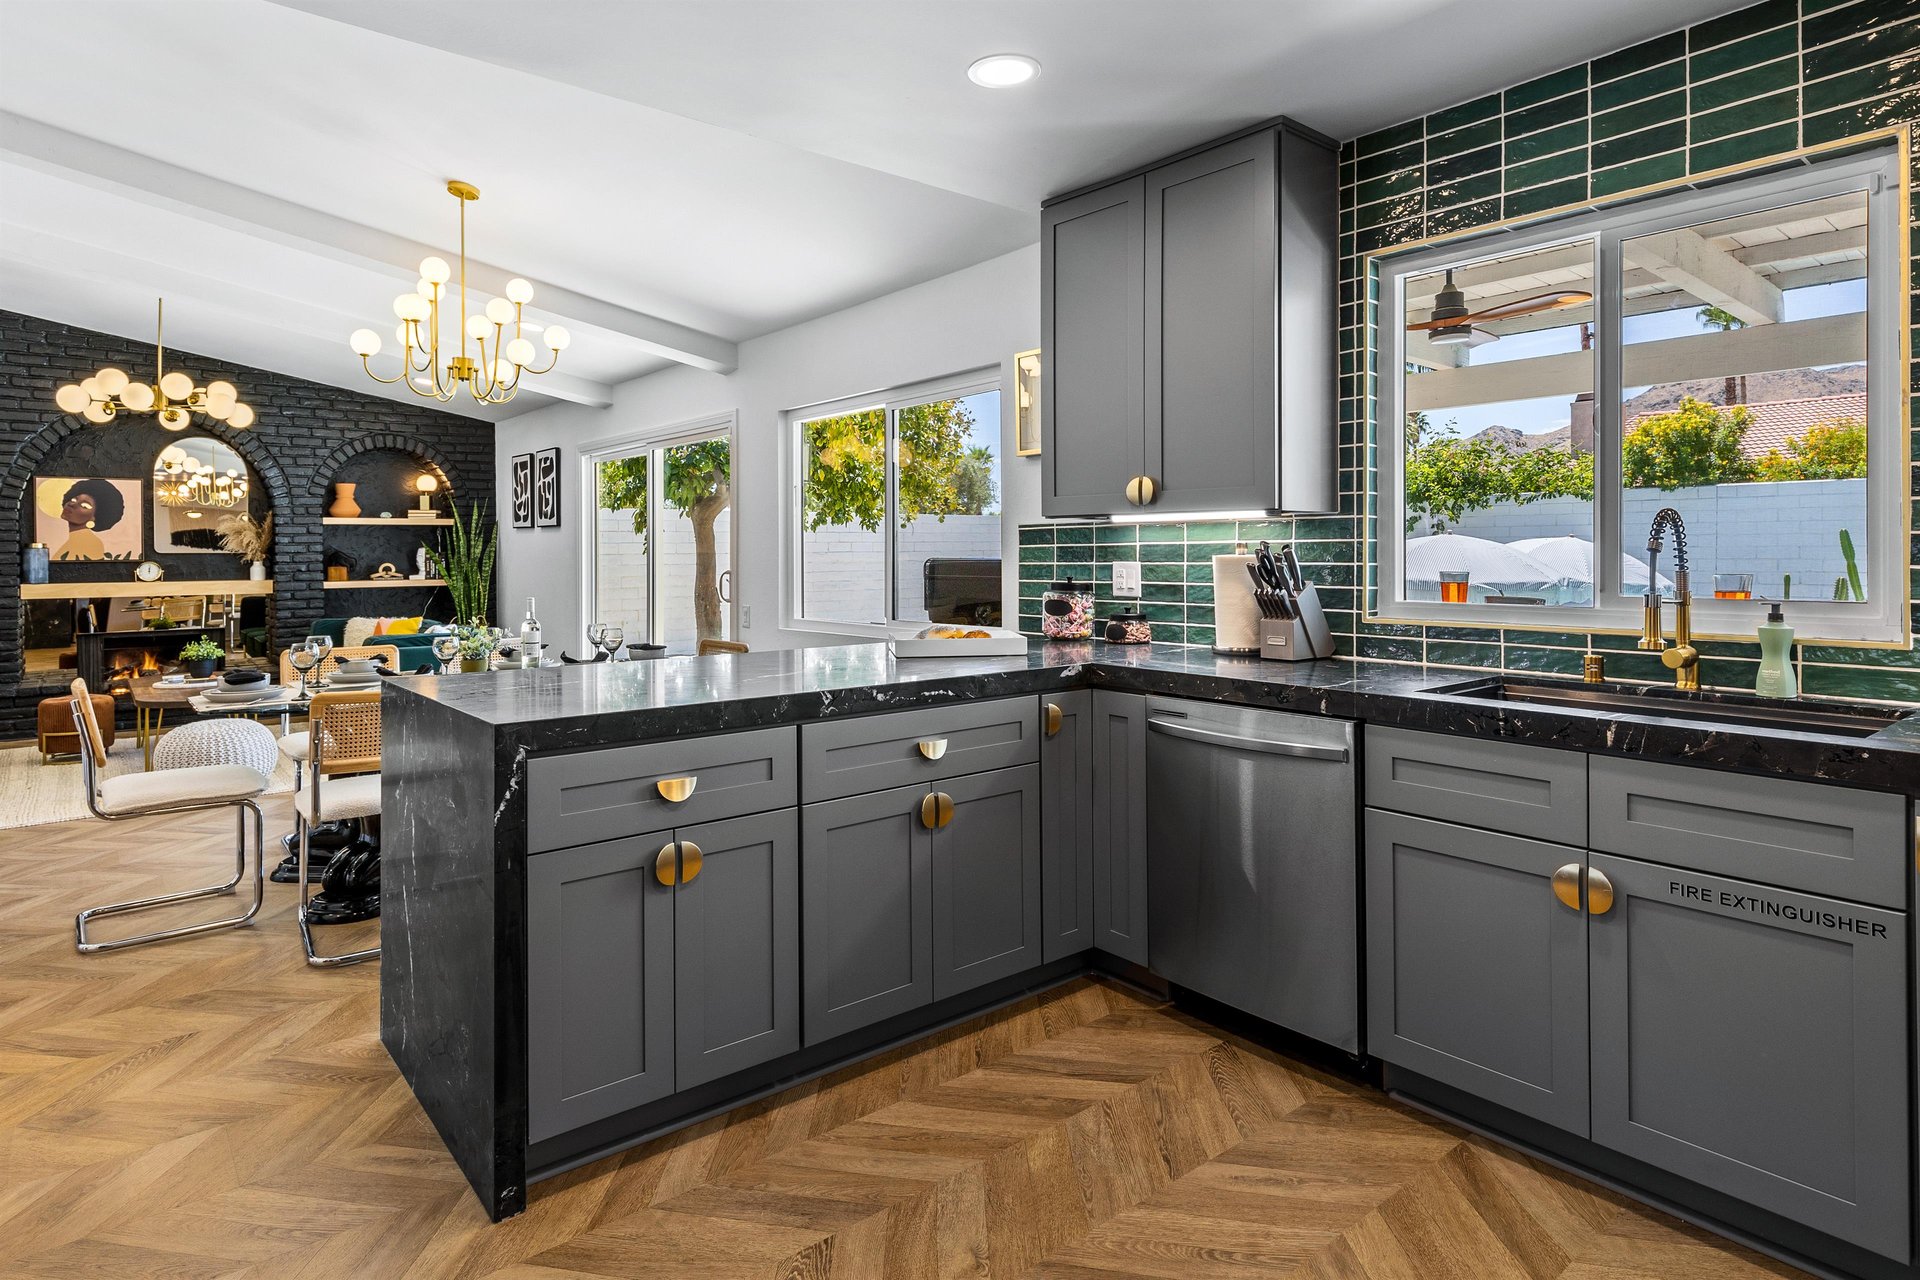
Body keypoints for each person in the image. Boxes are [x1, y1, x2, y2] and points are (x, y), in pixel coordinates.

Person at [53, 478, 127, 560]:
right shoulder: (75, 539)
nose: (72, 504)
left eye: (85, 506)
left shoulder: (89, 543)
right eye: (73, 499)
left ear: (94, 517)